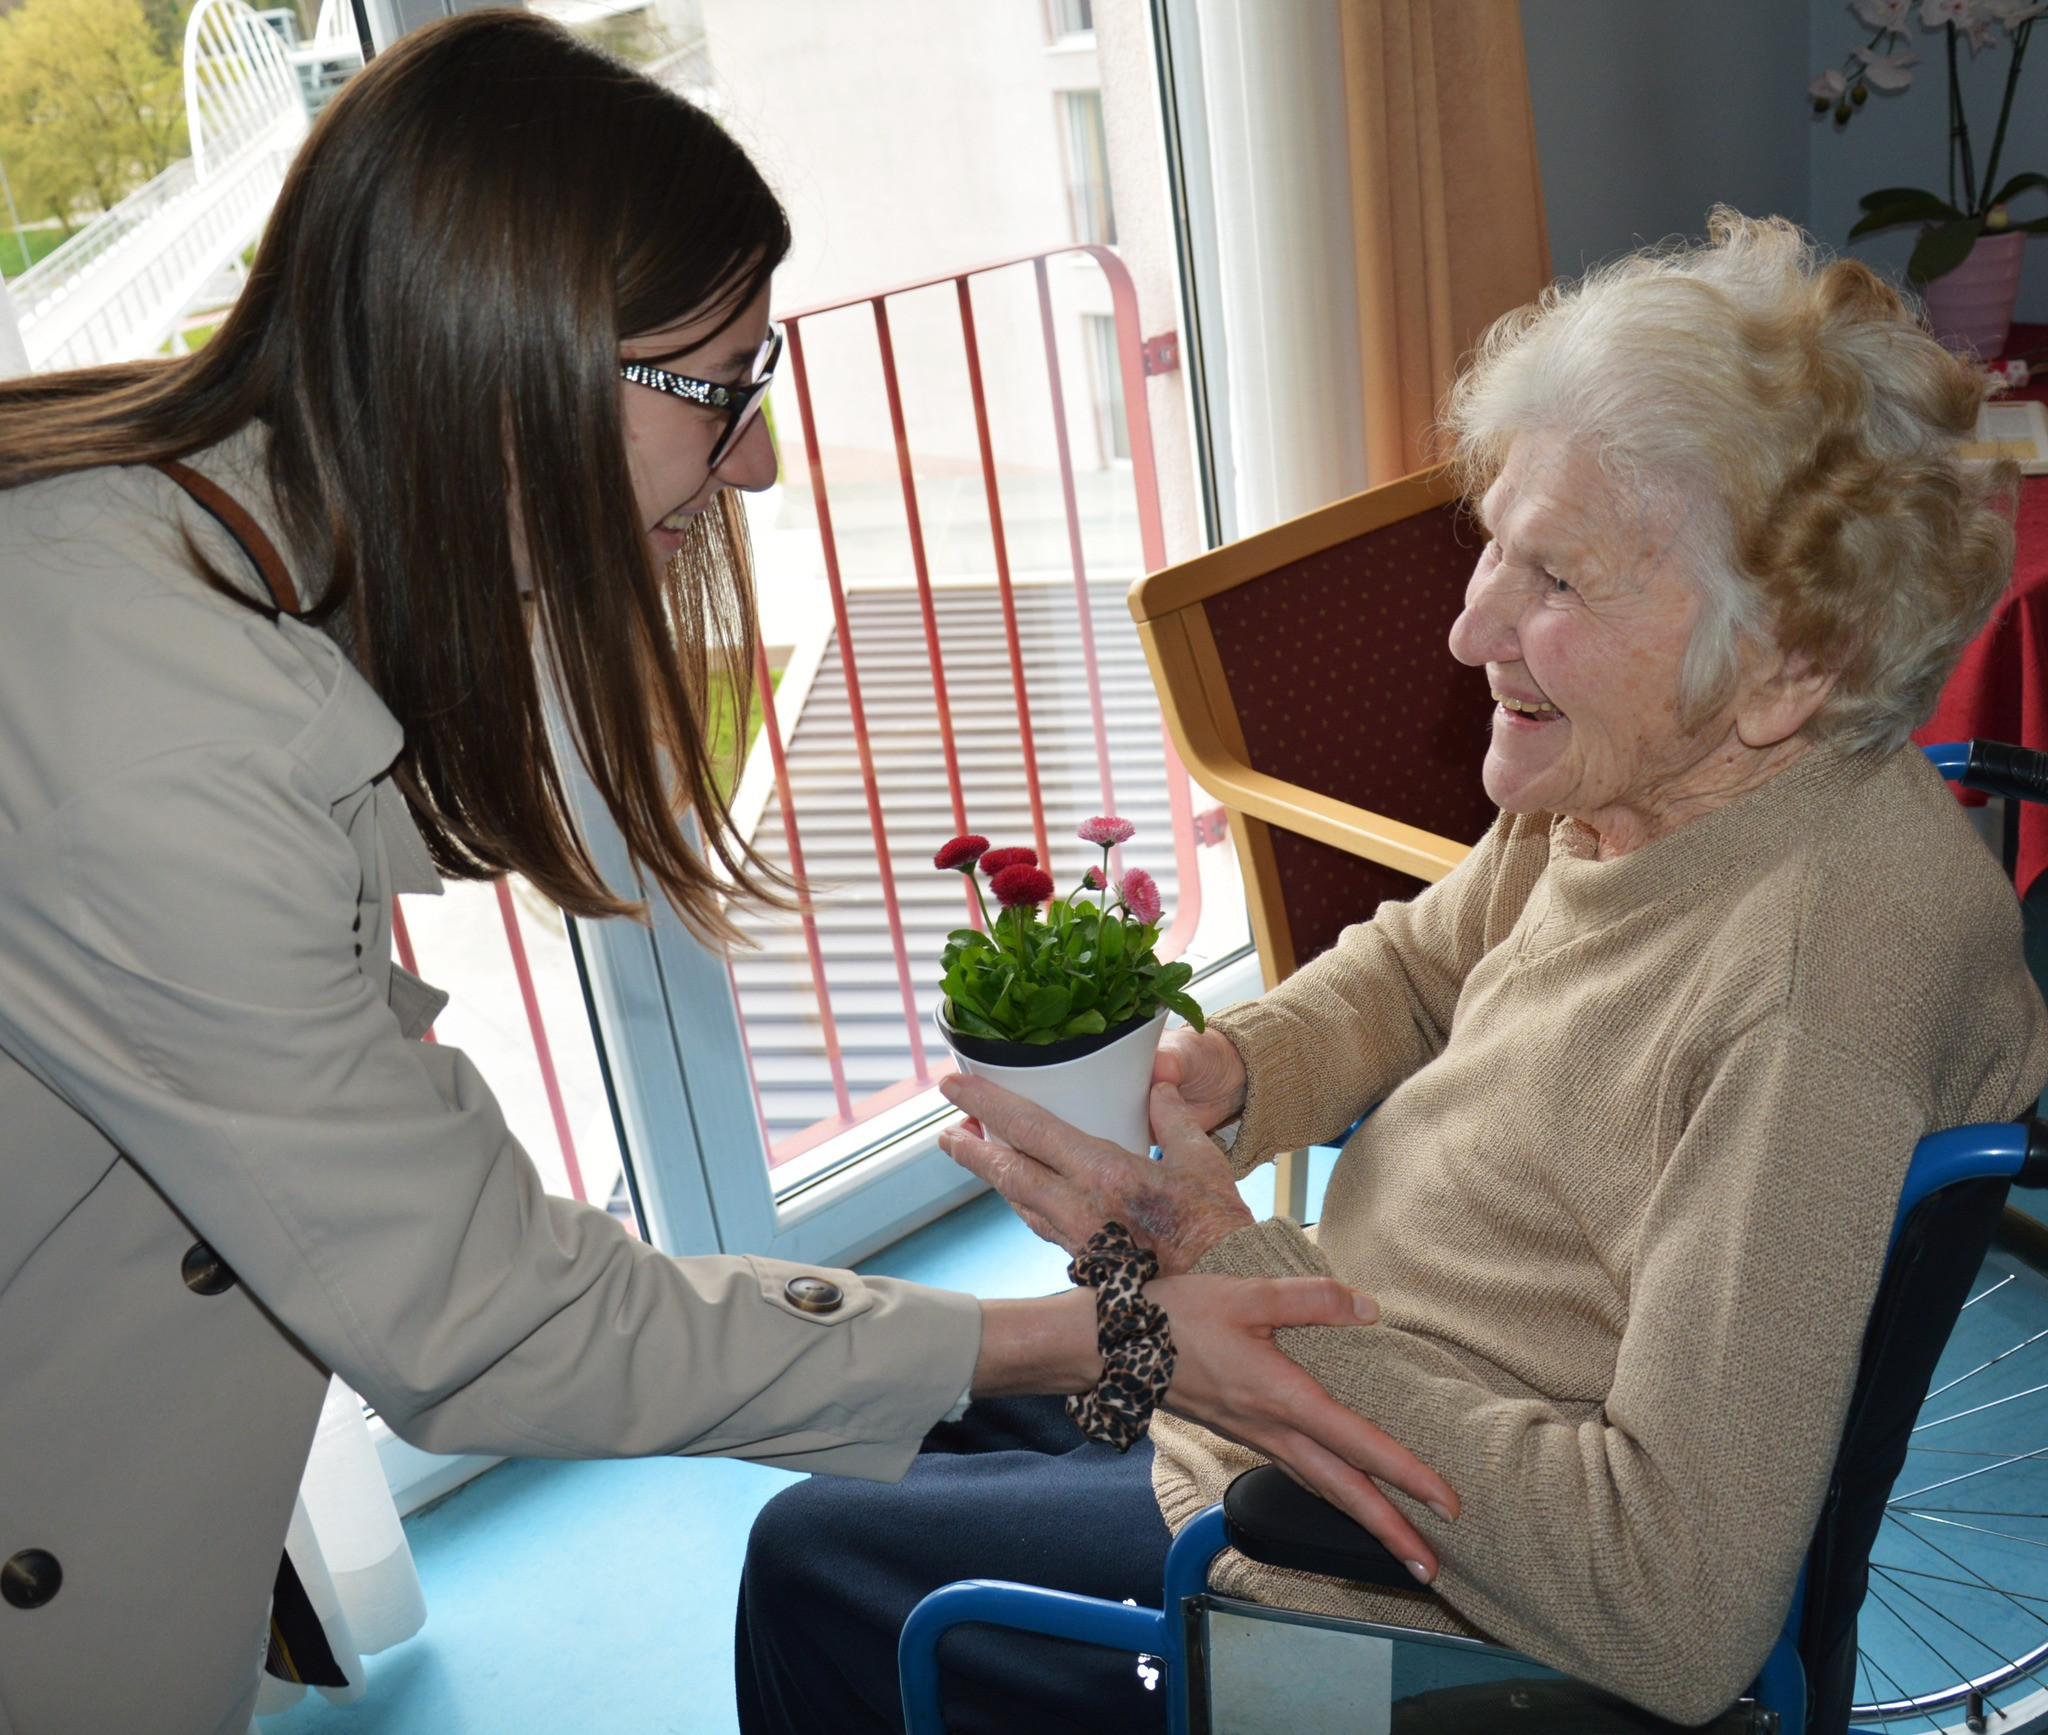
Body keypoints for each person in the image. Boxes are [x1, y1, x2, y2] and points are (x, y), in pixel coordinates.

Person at [0, 15, 1457, 1732]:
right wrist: (1092, 1344)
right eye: (724, 389)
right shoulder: (156, 736)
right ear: (504, 375)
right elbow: (490, 1322)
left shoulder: (229, 552)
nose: (757, 460)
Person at [736, 211, 2048, 1731]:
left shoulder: (1809, 998)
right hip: (1334, 1365)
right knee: (903, 1411)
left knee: (813, 1558)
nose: (1471, 624)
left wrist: (1220, 1263)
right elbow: (1432, 966)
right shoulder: (1643, 772)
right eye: (1495, 542)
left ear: (1791, 665)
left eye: (1557, 581)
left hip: (1380, 1565)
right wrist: (1237, 1071)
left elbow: (1674, 1604)